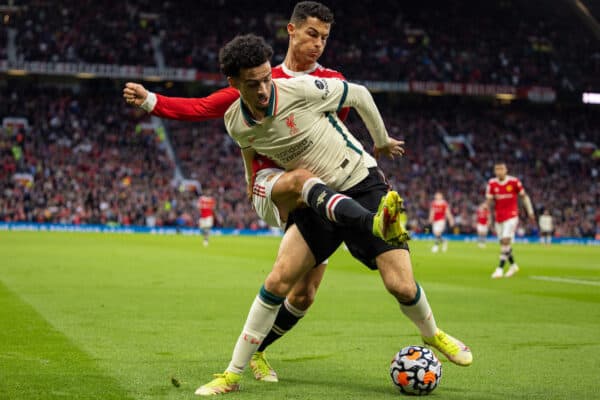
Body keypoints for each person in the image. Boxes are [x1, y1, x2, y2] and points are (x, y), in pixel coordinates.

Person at [123, 1, 398, 383]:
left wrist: (374, 149)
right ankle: (369, 223)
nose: (317, 44)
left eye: (324, 37)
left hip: (325, 190)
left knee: (304, 293)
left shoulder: (329, 81)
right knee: (297, 189)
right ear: (292, 30)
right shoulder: (260, 78)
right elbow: (206, 108)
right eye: (311, 34)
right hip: (282, 188)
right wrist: (152, 100)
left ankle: (259, 351)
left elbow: (336, 135)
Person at [194, 33, 472, 396]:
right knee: (283, 284)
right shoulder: (235, 120)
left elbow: (360, 94)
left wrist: (382, 139)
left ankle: (432, 334)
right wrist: (251, 180)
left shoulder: (301, 87)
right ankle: (231, 375)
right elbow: (248, 146)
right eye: (253, 83)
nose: (264, 89)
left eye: (266, 78)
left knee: (400, 285)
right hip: (314, 199)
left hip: (360, 181)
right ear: (233, 84)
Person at [486, 162, 535, 279]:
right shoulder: (492, 183)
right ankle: (513, 265)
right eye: (497, 169)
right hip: (499, 217)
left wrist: (530, 211)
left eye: (501, 169)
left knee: (506, 240)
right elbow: (489, 202)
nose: (499, 171)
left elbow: (524, 196)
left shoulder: (514, 182)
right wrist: (489, 217)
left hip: (512, 215)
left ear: (506, 170)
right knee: (503, 243)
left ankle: (500, 268)